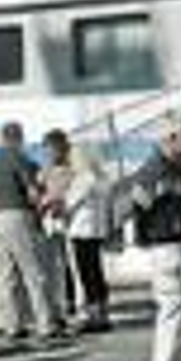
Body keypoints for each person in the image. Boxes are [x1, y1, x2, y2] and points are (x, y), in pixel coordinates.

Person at [129, 122, 181, 361]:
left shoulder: (174, 166)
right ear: (171, 139)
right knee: (172, 306)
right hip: (168, 244)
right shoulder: (155, 169)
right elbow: (139, 201)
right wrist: (150, 234)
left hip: (179, 241)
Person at [0, 122, 64, 343]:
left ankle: (12, 325)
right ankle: (45, 324)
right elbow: (32, 193)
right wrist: (43, 208)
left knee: (7, 275)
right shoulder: (20, 159)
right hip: (18, 215)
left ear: (1, 138)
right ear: (19, 138)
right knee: (33, 272)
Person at [64, 141, 115, 332]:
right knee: (97, 272)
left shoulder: (83, 179)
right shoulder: (102, 178)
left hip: (81, 230)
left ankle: (94, 315)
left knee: (87, 274)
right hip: (96, 229)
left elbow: (70, 205)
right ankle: (103, 312)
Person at [37, 129, 75, 319]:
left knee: (68, 264)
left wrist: (55, 200)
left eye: (50, 149)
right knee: (52, 266)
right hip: (50, 223)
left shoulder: (71, 169)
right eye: (45, 150)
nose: (47, 154)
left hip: (67, 221)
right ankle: (57, 303)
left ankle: (69, 301)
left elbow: (70, 193)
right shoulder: (44, 171)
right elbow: (39, 192)